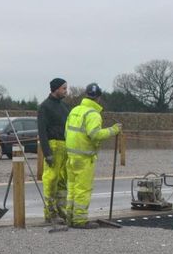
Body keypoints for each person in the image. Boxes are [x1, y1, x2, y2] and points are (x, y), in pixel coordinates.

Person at [64, 83, 121, 228]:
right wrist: (113, 130)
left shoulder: (75, 110)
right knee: (83, 189)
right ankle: (79, 220)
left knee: (71, 188)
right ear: (99, 98)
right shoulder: (93, 114)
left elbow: (66, 132)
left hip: (71, 156)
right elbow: (95, 134)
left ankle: (69, 217)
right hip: (84, 158)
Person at [37, 77, 70, 226]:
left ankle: (62, 211)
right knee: (51, 180)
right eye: (64, 88)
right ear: (56, 89)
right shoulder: (45, 107)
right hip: (53, 146)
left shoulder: (64, 107)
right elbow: (42, 132)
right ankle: (50, 213)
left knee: (63, 181)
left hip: (65, 146)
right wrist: (47, 152)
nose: (66, 91)